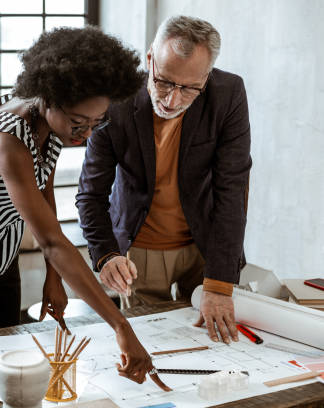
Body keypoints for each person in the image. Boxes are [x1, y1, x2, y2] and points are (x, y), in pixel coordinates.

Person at [0, 26, 168, 388]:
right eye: (77, 122)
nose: (84, 135)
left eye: (95, 123)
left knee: (11, 349)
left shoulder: (50, 126)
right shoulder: (8, 141)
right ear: (49, 97)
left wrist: (54, 280)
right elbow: (53, 242)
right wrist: (121, 325)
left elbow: (45, 194)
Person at [77, 16, 251, 345]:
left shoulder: (228, 95)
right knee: (147, 347)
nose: (172, 100)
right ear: (149, 60)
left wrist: (219, 284)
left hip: (204, 246)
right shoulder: (115, 100)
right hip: (139, 250)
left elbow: (232, 189)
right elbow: (91, 192)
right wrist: (105, 254)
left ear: (207, 75)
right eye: (164, 82)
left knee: (209, 347)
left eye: (188, 89)